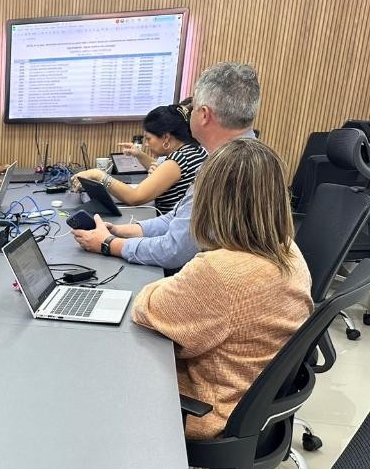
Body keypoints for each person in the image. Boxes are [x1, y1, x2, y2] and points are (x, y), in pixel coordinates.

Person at [132, 138, 312, 440]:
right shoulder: (289, 250)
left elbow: (146, 310)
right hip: (249, 407)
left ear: (209, 199)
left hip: (208, 413)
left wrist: (164, 285)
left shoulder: (219, 271)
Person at [71, 63, 261, 270]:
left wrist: (108, 244)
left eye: (192, 110)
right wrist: (118, 231)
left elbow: (174, 251)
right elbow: (176, 219)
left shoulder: (225, 170)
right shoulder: (245, 157)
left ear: (205, 115)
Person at [73, 104, 206, 215]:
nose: (146, 144)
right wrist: (139, 154)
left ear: (166, 137)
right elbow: (162, 170)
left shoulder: (178, 160)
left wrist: (98, 175)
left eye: (148, 138)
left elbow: (134, 197)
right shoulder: (194, 151)